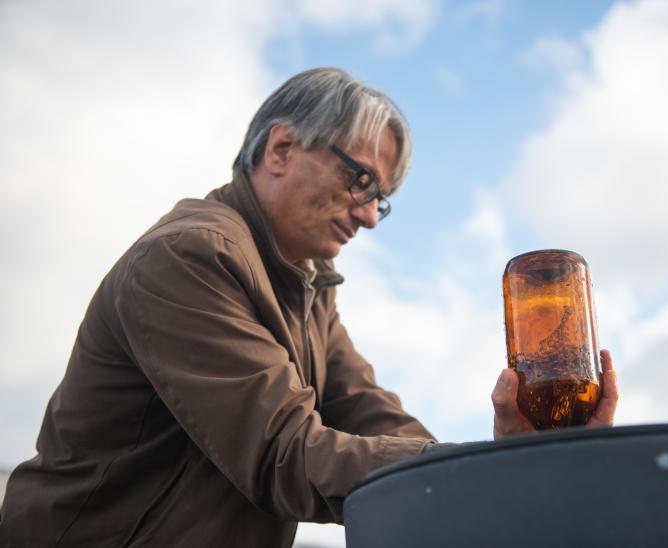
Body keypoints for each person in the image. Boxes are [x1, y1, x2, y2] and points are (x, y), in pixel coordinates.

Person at [0, 68, 618, 547]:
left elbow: (370, 414)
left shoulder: (308, 286)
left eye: (383, 199)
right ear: (281, 148)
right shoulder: (190, 257)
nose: (371, 216)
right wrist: (469, 470)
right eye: (361, 182)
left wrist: (502, 463)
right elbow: (285, 453)